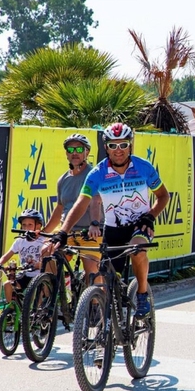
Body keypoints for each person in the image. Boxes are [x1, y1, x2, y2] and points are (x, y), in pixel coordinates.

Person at [46, 123, 170, 318]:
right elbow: (81, 203)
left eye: (123, 145)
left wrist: (150, 215)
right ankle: (108, 320)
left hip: (140, 225)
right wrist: (63, 231)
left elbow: (164, 196)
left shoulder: (144, 167)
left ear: (130, 145)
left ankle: (143, 294)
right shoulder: (97, 174)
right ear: (106, 147)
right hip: (112, 229)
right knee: (107, 276)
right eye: (113, 145)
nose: (118, 151)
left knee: (137, 250)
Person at [41, 133, 103, 281]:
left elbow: (96, 201)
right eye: (70, 149)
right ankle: (56, 297)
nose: (74, 153)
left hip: (89, 232)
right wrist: (44, 232)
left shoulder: (94, 175)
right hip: (68, 232)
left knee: (91, 269)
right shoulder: (62, 180)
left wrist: (94, 224)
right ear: (66, 153)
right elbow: (60, 208)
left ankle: (95, 302)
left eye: (79, 149)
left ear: (87, 152)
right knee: (47, 253)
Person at [0, 209, 46, 302]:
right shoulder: (20, 241)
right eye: (24, 225)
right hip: (25, 274)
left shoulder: (44, 240)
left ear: (38, 226)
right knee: (8, 284)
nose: (26, 228)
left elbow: (49, 261)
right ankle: (11, 309)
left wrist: (38, 265)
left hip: (39, 275)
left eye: (30, 225)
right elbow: (7, 255)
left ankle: (39, 314)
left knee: (38, 293)